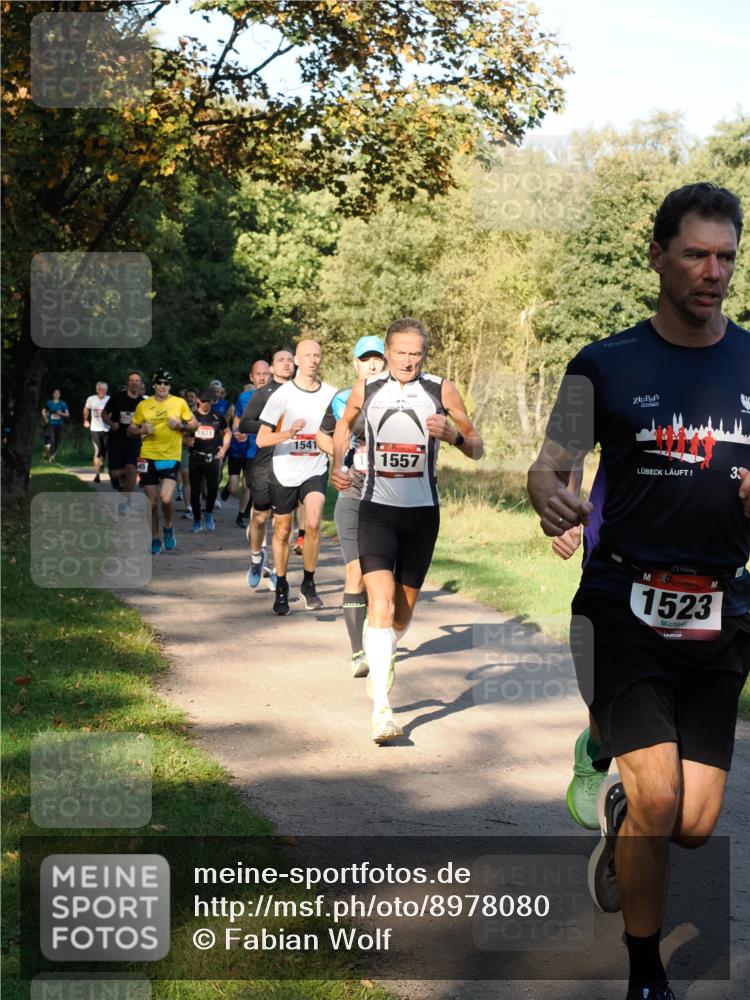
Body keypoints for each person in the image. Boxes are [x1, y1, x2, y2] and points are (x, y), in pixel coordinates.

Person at [527, 183, 750, 1000]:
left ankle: (622, 817)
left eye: (726, 255)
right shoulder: (605, 364)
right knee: (661, 802)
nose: (712, 272)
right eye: (695, 253)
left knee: (690, 826)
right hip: (623, 605)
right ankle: (645, 973)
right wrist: (547, 491)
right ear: (657, 256)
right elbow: (551, 462)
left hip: (723, 612)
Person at [333, 318, 483, 744]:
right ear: (388, 351)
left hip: (421, 514)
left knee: (401, 616)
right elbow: (343, 427)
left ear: (425, 355)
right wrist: (337, 469)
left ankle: (384, 647)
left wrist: (453, 435)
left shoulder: (441, 390)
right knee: (379, 601)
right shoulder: (369, 388)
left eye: (416, 354)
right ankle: (382, 709)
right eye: (401, 352)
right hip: (376, 508)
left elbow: (477, 446)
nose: (408, 361)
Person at [317, 335, 387, 677]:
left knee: (383, 578)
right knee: (355, 570)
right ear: (355, 364)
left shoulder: (400, 397)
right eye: (366, 360)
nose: (372, 365)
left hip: (388, 499)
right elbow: (321, 434)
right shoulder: (342, 398)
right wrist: (339, 455)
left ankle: (380, 635)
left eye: (377, 359)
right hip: (353, 496)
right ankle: (358, 652)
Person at [256, 340, 337, 615]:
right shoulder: (282, 395)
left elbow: (344, 428)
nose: (313, 360)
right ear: (298, 360)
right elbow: (261, 439)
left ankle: (309, 583)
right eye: (307, 355)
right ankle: (281, 585)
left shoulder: (331, 394)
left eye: (317, 355)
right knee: (281, 531)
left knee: (313, 523)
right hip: (284, 469)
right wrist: (289, 433)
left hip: (315, 467)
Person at [237, 347, 295, 592]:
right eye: (280, 360)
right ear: (272, 368)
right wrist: (271, 426)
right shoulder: (263, 394)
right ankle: (256, 557)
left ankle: (278, 572)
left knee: (282, 524)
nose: (286, 363)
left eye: (290, 360)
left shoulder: (303, 392)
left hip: (293, 460)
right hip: (264, 461)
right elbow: (245, 423)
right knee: (260, 517)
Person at [128, 368, 198, 555]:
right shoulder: (144, 406)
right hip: (147, 456)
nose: (162, 386)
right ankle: (154, 536)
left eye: (166, 383)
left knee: (166, 498)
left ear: (169, 386)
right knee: (151, 503)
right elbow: (131, 429)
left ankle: (168, 526)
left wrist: (181, 426)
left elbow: (195, 425)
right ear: (153, 385)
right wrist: (142, 430)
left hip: (170, 456)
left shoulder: (179, 403)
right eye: (159, 382)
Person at [225, 360, 271, 527]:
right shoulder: (244, 397)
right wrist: (238, 431)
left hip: (274, 449)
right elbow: (237, 418)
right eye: (258, 374)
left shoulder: (279, 395)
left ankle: (254, 518)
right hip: (252, 451)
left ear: (271, 375)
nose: (262, 378)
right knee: (252, 486)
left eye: (265, 374)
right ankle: (252, 518)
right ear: (252, 377)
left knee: (264, 489)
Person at [189, 389, 231, 532]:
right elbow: (182, 434)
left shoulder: (217, 417)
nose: (207, 404)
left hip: (212, 456)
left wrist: (224, 448)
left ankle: (208, 513)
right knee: (195, 490)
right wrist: (185, 441)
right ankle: (196, 519)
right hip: (196, 456)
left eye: (209, 401)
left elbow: (227, 432)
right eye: (204, 401)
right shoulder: (192, 417)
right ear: (198, 401)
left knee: (212, 488)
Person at [102, 371, 145, 503]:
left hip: (133, 440)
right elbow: (104, 413)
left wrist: (142, 430)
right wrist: (111, 423)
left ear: (141, 384)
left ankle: (124, 500)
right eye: (132, 380)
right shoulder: (116, 397)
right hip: (116, 438)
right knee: (114, 473)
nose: (134, 383)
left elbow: (147, 421)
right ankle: (119, 481)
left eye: (137, 381)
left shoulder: (143, 403)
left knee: (131, 468)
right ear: (127, 383)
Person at [83, 382, 110, 483]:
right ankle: (97, 474)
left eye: (104, 390)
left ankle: (102, 462)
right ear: (97, 390)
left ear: (106, 390)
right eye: (100, 389)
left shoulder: (110, 399)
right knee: (97, 451)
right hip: (95, 429)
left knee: (105, 451)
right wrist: (85, 419)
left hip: (107, 430)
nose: (102, 391)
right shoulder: (91, 399)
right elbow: (86, 408)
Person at [178, 388, 198, 515]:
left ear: (197, 399)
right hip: (184, 447)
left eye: (192, 396)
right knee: (186, 475)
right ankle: (188, 506)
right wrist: (183, 441)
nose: (190, 398)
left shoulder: (202, 413)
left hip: (200, 448)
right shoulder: (179, 413)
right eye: (188, 396)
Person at [41, 389, 69, 461]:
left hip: (59, 424)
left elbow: (67, 414)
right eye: (55, 393)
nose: (56, 395)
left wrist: (61, 413)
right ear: (52, 394)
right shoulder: (49, 403)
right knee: (52, 439)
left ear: (59, 395)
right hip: (50, 423)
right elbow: (43, 411)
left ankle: (50, 455)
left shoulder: (62, 403)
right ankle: (51, 456)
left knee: (56, 440)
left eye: (58, 394)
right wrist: (46, 420)